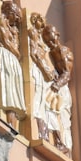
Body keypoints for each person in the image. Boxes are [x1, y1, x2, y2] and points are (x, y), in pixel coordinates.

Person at [43, 23, 74, 156]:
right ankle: (59, 143)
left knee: (63, 118)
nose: (50, 43)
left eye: (52, 38)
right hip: (58, 88)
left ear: (57, 36)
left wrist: (57, 84)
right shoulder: (52, 51)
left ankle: (65, 146)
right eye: (47, 41)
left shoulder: (63, 51)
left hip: (62, 90)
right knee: (52, 112)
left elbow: (67, 74)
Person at [0, 1, 25, 130]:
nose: (17, 20)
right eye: (16, 16)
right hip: (6, 57)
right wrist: (17, 53)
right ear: (10, 13)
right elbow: (6, 42)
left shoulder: (13, 29)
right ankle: (9, 124)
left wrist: (15, 37)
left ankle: (12, 124)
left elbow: (13, 44)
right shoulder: (1, 20)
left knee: (13, 92)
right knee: (7, 90)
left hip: (12, 61)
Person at [28, 12, 55, 141]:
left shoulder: (38, 35)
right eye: (41, 22)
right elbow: (34, 53)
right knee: (38, 98)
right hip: (38, 70)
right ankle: (40, 130)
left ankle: (44, 130)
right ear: (34, 20)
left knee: (44, 100)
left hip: (43, 69)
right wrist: (44, 69)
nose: (43, 25)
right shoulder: (32, 33)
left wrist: (49, 70)